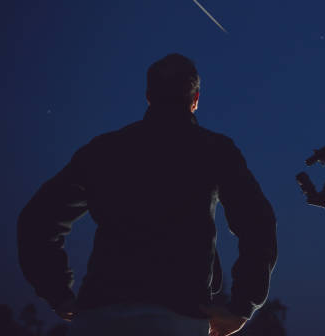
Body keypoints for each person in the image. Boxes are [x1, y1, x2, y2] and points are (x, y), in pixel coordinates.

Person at [17, 53, 278, 336]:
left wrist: (58, 294)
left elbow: (37, 219)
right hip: (179, 318)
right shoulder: (215, 150)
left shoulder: (104, 151)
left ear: (148, 96)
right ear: (195, 99)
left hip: (99, 317)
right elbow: (257, 222)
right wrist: (242, 305)